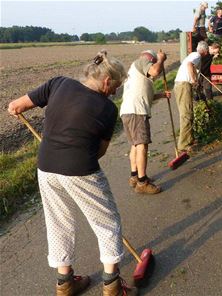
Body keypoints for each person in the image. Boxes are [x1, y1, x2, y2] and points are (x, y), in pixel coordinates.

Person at [7, 51, 135, 295]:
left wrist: (16, 109)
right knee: (107, 222)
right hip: (80, 168)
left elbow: (17, 106)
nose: (115, 92)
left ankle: (65, 283)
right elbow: (99, 151)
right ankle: (112, 286)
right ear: (107, 81)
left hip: (46, 166)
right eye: (116, 86)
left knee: (58, 223)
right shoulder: (107, 109)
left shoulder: (58, 83)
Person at [120, 49, 170, 195]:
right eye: (153, 61)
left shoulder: (134, 72)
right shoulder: (142, 62)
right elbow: (155, 71)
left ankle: (134, 176)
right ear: (150, 59)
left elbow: (145, 95)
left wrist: (161, 95)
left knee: (135, 145)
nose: (153, 64)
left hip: (128, 112)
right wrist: (161, 59)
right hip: (137, 112)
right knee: (142, 145)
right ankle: (142, 183)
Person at [174, 41, 209, 152]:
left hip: (181, 85)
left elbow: (191, 66)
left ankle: (189, 139)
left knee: (188, 113)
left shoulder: (193, 55)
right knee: (186, 115)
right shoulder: (197, 55)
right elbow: (190, 65)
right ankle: (183, 145)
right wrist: (194, 80)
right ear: (205, 51)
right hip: (184, 85)